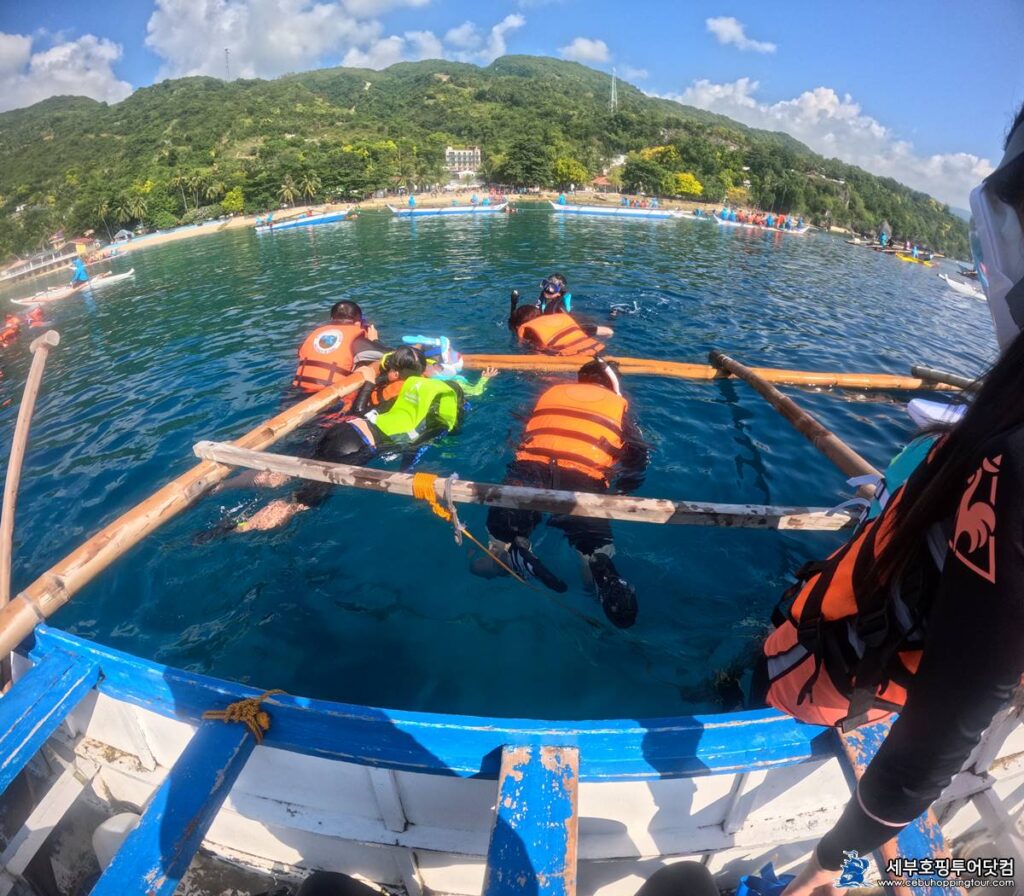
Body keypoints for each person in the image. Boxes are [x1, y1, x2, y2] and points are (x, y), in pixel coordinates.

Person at [773, 104, 1024, 895]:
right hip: (922, 706)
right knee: (990, 865)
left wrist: (826, 863)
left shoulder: (1011, 448)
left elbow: (955, 706)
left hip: (869, 695)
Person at [232, 350, 499, 532]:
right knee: (300, 501)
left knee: (287, 472)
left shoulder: (405, 385)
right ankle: (236, 529)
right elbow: (422, 443)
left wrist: (371, 379)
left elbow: (378, 377)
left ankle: (224, 485)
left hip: (345, 428)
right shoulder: (445, 397)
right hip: (358, 446)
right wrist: (406, 472)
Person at [474, 359, 649, 628]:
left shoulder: (551, 393)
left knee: (502, 533)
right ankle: (599, 571)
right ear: (611, 384)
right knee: (592, 546)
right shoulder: (618, 405)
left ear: (580, 380)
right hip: (583, 474)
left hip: (530, 468)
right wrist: (624, 489)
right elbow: (638, 454)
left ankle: (507, 552)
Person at [292, 300, 387, 393]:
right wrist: (374, 341)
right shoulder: (356, 339)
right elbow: (393, 357)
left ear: (332, 319)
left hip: (297, 391)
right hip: (332, 397)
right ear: (358, 322)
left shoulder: (315, 334)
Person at [509, 297, 607, 356]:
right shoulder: (560, 320)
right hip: (598, 349)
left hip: (571, 357)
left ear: (519, 326)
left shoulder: (529, 333)